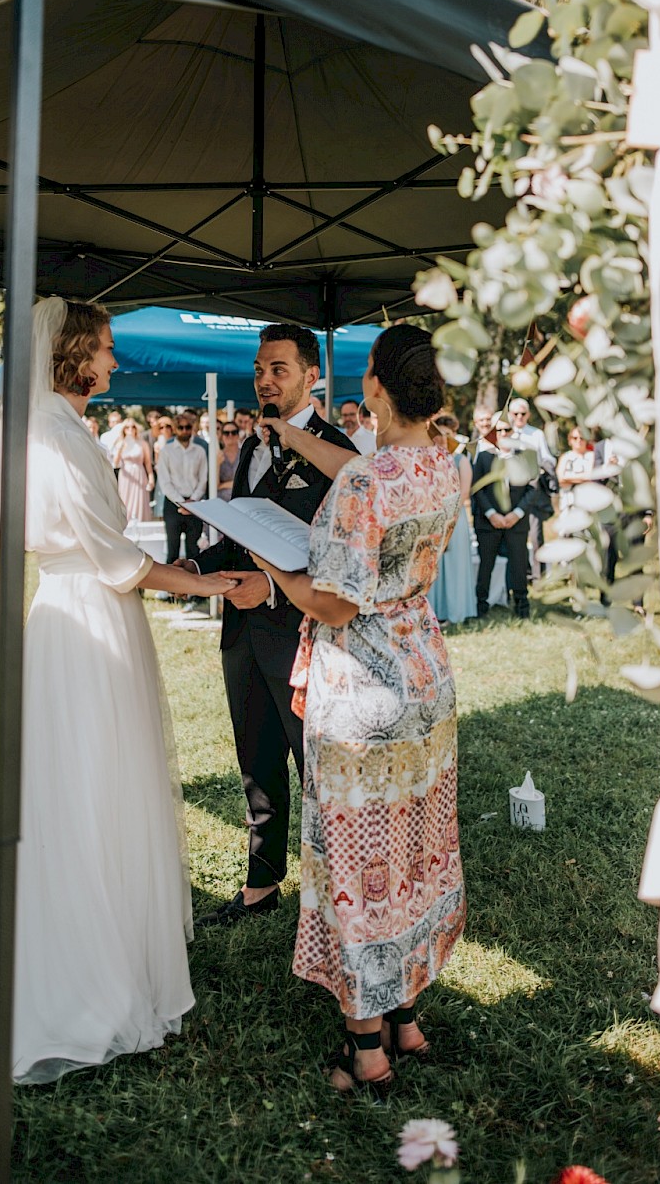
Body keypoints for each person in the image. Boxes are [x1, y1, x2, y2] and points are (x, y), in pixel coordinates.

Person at [0, 298, 235, 1083]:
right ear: (77, 354)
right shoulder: (58, 433)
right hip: (89, 614)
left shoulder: (45, 428)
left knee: (75, 781)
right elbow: (115, 555)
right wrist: (206, 580)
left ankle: (95, 937)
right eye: (108, 350)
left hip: (65, 612)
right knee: (91, 783)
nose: (116, 363)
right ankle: (86, 969)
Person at [253, 324, 465, 1096]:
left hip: (365, 689)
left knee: (359, 865)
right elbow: (369, 470)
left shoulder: (364, 488)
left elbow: (332, 603)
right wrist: (295, 440)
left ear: (374, 386)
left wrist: (267, 555)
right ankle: (406, 1013)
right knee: (411, 852)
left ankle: (366, 1045)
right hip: (424, 675)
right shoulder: (444, 466)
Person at [189, 324, 355, 926]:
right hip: (241, 633)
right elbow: (245, 529)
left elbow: (339, 553)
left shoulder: (340, 452)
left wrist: (275, 593)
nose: (265, 379)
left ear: (313, 376)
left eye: (279, 369)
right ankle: (261, 888)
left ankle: (333, 894)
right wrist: (197, 564)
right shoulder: (249, 444)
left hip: (299, 636)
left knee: (315, 767)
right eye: (260, 368)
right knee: (256, 763)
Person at [471, 410, 531, 619]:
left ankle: (522, 606)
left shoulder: (525, 457)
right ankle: (481, 606)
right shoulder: (484, 458)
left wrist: (517, 513)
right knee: (486, 565)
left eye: (508, 429)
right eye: (499, 430)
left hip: (517, 522)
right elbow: (477, 488)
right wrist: (491, 513)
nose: (504, 433)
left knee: (519, 564)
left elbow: (532, 488)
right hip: (489, 523)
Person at [428, 413, 477, 625]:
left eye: (448, 434)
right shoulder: (428, 460)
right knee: (435, 566)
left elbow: (464, 493)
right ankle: (435, 612)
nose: (443, 439)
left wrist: (446, 514)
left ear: (454, 435)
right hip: (433, 519)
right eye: (439, 434)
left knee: (454, 565)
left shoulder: (461, 459)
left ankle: (455, 611)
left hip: (454, 519)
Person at [503, 398, 557, 580]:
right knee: (515, 535)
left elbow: (549, 458)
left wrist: (540, 466)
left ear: (528, 415)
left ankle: (538, 575)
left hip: (532, 490)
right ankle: (521, 572)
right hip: (510, 491)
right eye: (515, 413)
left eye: (523, 414)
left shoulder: (536, 434)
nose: (519, 417)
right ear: (510, 414)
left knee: (535, 534)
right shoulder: (504, 433)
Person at [157, 411, 207, 562]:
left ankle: (194, 584)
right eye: (181, 427)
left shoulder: (200, 451)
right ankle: (170, 584)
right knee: (173, 550)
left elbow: (203, 479)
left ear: (192, 428)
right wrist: (181, 502)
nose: (184, 430)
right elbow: (165, 481)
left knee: (194, 550)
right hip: (173, 504)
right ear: (175, 428)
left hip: (195, 503)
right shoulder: (166, 451)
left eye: (188, 427)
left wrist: (192, 500)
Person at [113, 418, 154, 523]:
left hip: (139, 473)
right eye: (127, 427)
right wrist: (120, 449)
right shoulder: (120, 443)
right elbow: (115, 464)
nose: (130, 429)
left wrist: (151, 479)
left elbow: (148, 463)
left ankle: (140, 525)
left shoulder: (142, 443)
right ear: (124, 429)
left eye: (133, 427)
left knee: (139, 501)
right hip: (126, 475)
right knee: (125, 501)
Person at [556, 427, 595, 511]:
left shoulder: (592, 456)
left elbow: (590, 477)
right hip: (567, 501)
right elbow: (560, 479)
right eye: (575, 438)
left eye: (582, 438)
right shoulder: (565, 457)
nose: (579, 440)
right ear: (570, 440)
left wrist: (567, 477)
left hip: (587, 501)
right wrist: (582, 478)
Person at [217, 420, 241, 499]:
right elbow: (215, 485)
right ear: (222, 436)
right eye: (226, 433)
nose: (230, 435)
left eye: (233, 432)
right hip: (222, 501)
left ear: (238, 435)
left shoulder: (244, 454)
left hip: (241, 499)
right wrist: (217, 465)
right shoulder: (217, 455)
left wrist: (223, 485)